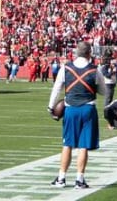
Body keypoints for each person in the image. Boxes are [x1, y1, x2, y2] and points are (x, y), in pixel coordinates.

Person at [48, 40, 105, 190]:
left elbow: (57, 88)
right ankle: (79, 179)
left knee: (68, 144)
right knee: (83, 146)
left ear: (76, 53)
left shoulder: (66, 68)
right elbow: (103, 91)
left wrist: (51, 106)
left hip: (71, 109)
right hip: (88, 108)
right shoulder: (94, 69)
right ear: (89, 53)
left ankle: (61, 177)